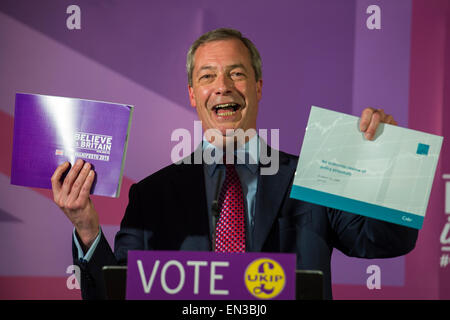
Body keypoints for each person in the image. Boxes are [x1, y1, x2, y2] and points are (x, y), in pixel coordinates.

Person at [51, 28, 417, 300]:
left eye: (236, 73)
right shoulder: (151, 195)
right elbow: (116, 294)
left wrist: (388, 159)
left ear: (258, 86)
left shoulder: (311, 178)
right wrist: (86, 227)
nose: (222, 86)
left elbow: (386, 241)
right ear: (193, 95)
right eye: (207, 76)